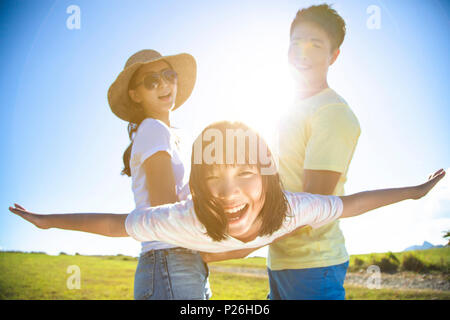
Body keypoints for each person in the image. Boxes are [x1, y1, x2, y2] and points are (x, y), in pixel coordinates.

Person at [10, 121, 445, 258]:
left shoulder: (295, 207)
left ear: (269, 178)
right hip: (199, 254)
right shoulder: (184, 216)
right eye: (213, 179)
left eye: (245, 175)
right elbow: (111, 223)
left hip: (237, 247)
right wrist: (46, 222)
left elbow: (351, 204)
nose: (228, 192)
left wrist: (413, 192)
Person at [12, 49, 212, 300]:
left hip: (180, 262)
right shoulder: (154, 130)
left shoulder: (163, 134)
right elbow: (166, 213)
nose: (163, 83)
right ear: (135, 94)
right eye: (152, 80)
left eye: (168, 75)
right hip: (171, 263)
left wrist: (49, 220)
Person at [267, 4, 362, 300]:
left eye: (315, 44)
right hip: (280, 260)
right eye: (296, 42)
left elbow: (309, 208)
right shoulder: (289, 109)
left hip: (313, 265)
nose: (302, 52)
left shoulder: (332, 113)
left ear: (334, 56)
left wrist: (238, 245)